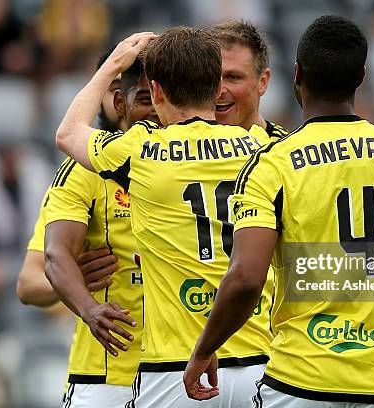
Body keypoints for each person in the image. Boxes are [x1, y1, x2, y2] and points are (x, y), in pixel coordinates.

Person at [184, 15, 374, 407]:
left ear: (297, 75)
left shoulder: (272, 164)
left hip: (301, 383)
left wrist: (204, 349)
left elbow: (245, 279)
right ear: (361, 77)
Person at [54, 28, 275, 407]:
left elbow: (68, 133)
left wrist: (113, 64)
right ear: (215, 88)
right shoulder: (263, 148)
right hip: (258, 362)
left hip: (175, 368)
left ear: (156, 93)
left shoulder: (141, 150)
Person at [17, 52, 158, 407]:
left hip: (181, 370)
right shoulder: (81, 172)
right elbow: (29, 284)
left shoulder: (193, 165)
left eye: (157, 95)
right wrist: (73, 281)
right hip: (106, 376)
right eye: (138, 96)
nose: (153, 108)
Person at [210, 20, 288, 138]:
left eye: (232, 77)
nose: (220, 91)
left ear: (263, 82)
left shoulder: (288, 151)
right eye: (211, 77)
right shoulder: (180, 150)